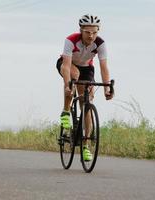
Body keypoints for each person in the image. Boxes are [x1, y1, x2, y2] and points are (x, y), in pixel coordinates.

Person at [56, 14, 114, 161]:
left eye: (94, 32)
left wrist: (107, 88)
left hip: (87, 69)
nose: (91, 35)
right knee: (73, 77)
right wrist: (67, 84)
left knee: (87, 103)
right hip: (68, 65)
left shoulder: (100, 44)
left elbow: (103, 67)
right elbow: (67, 65)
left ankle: (86, 145)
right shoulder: (71, 40)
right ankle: (65, 111)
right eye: (87, 32)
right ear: (81, 30)